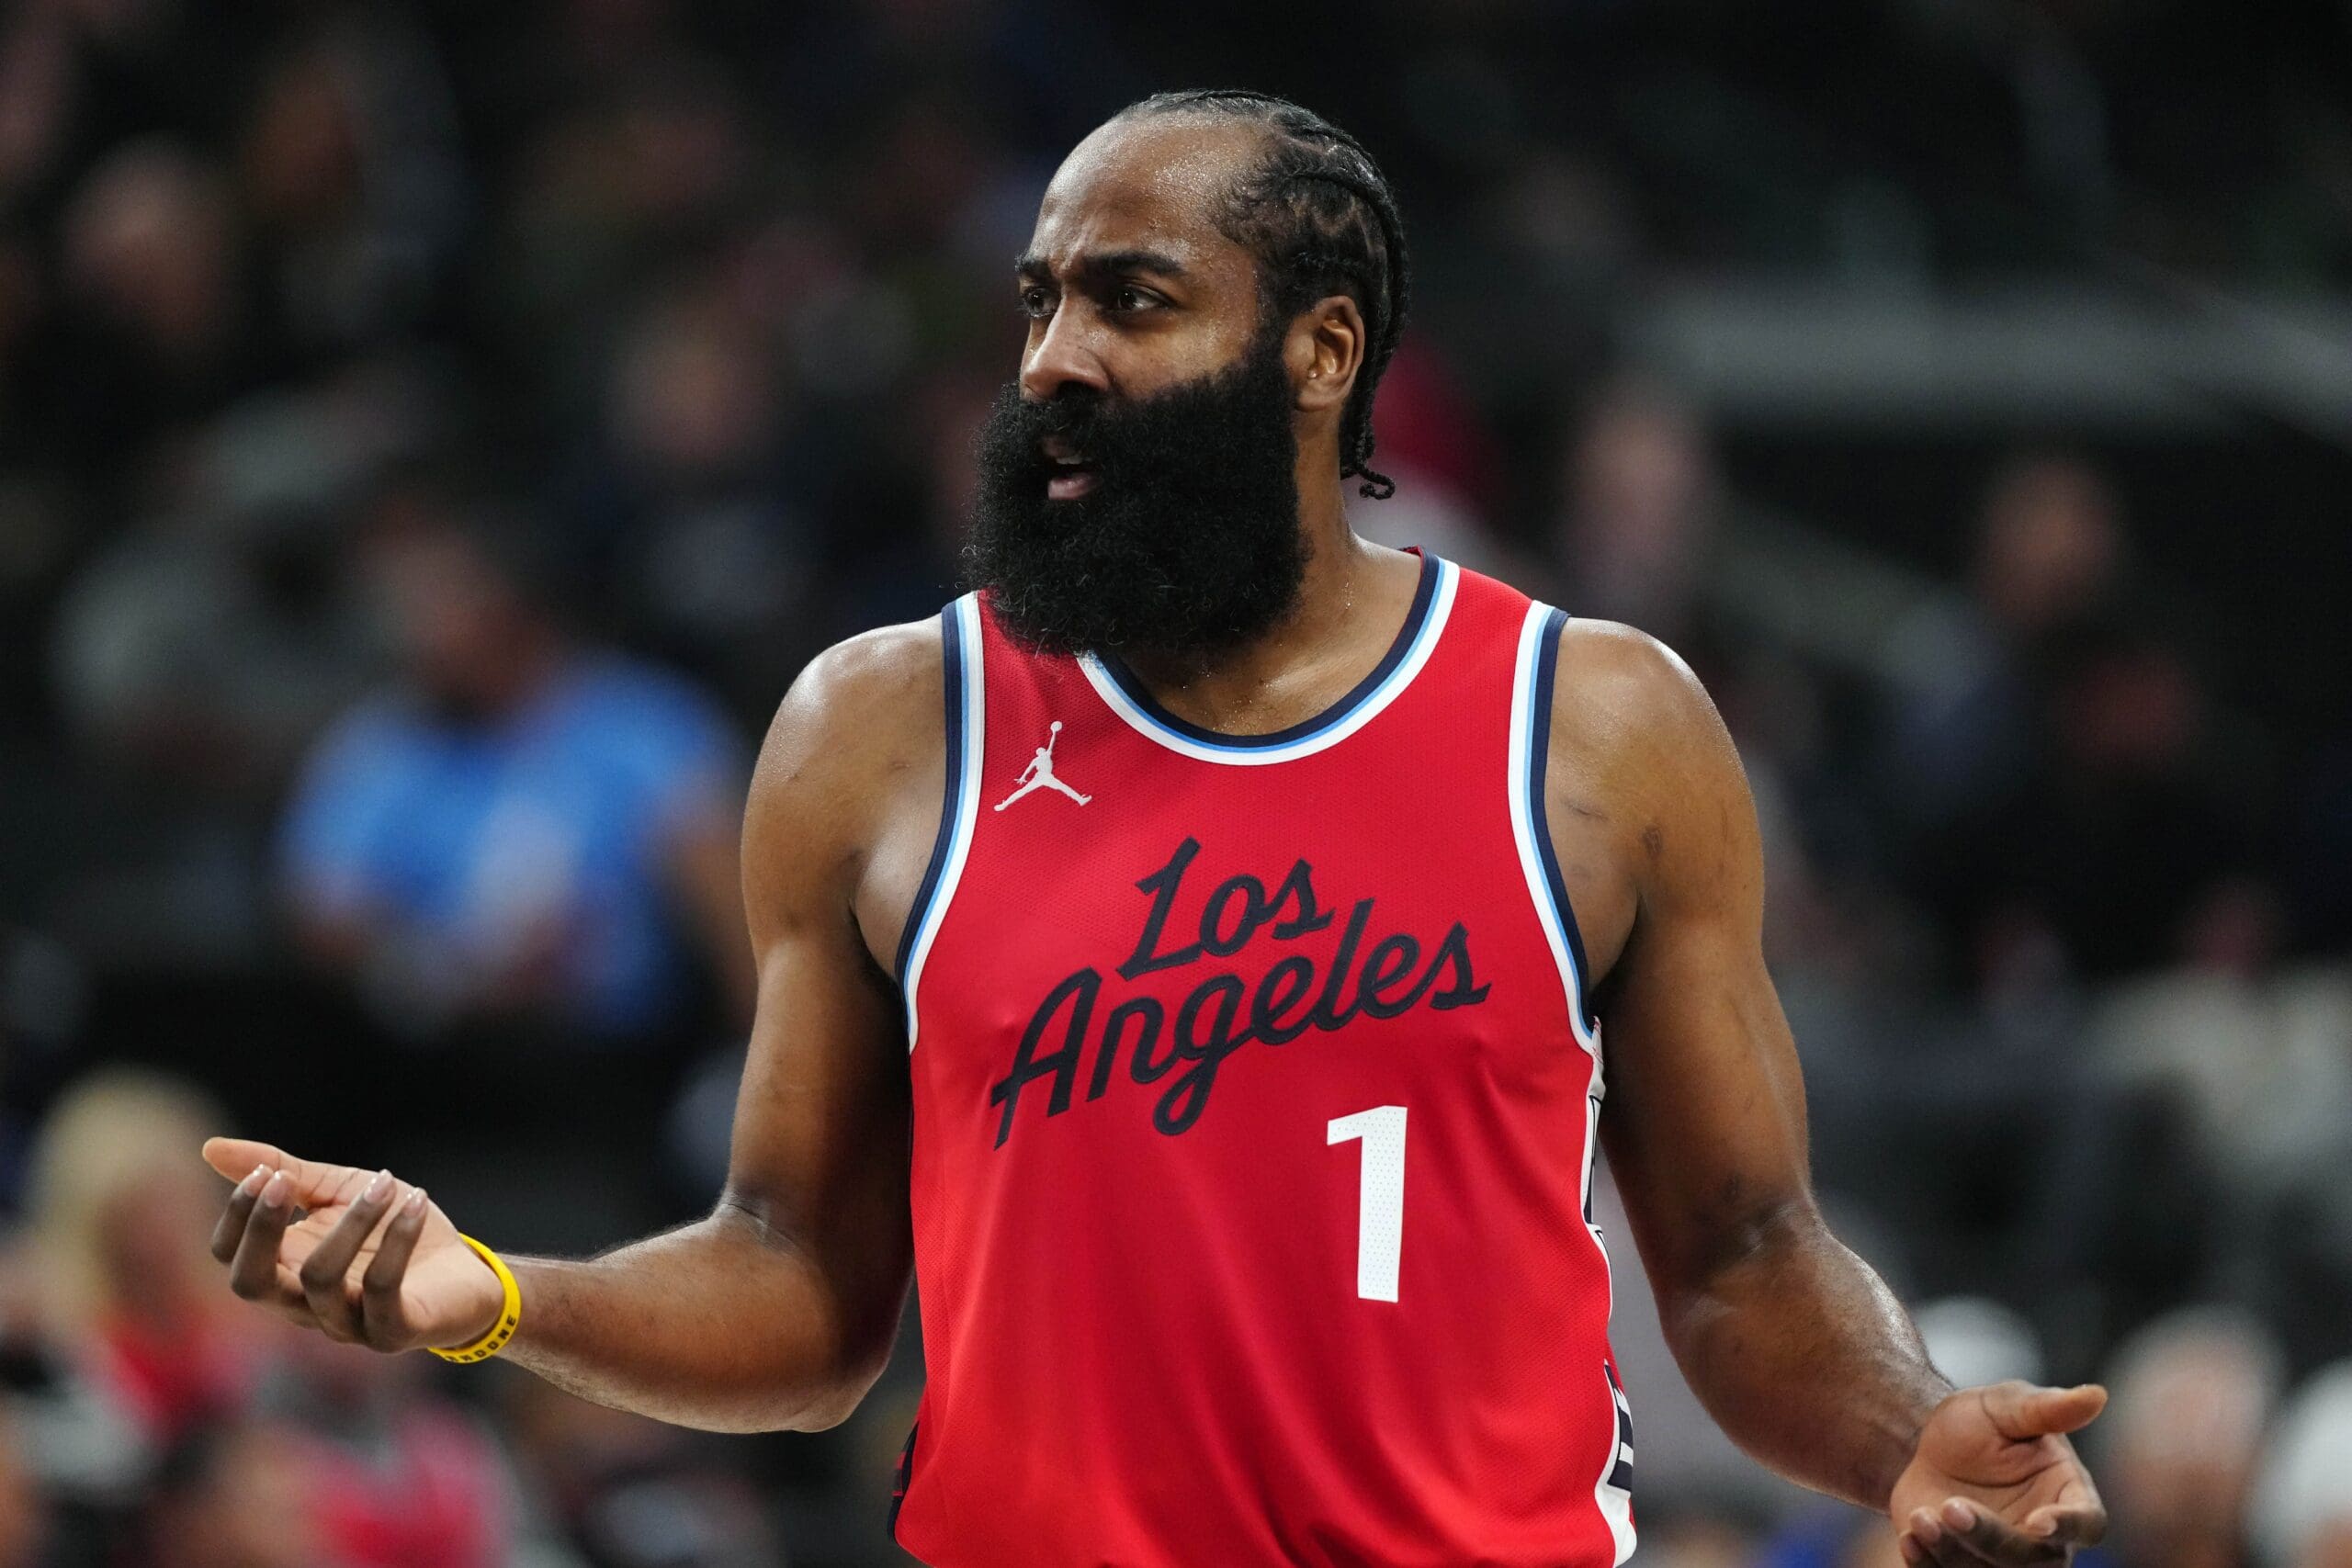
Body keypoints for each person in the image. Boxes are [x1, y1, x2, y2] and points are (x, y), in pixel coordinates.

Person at [200, 91, 2107, 1567]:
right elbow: (800, 1282)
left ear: (1321, 352)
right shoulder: (881, 728)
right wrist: (498, 1296)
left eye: (1132, 299)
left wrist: (1908, 1430)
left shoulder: (1591, 723)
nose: (1053, 357)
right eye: (1040, 301)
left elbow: (1743, 1248)